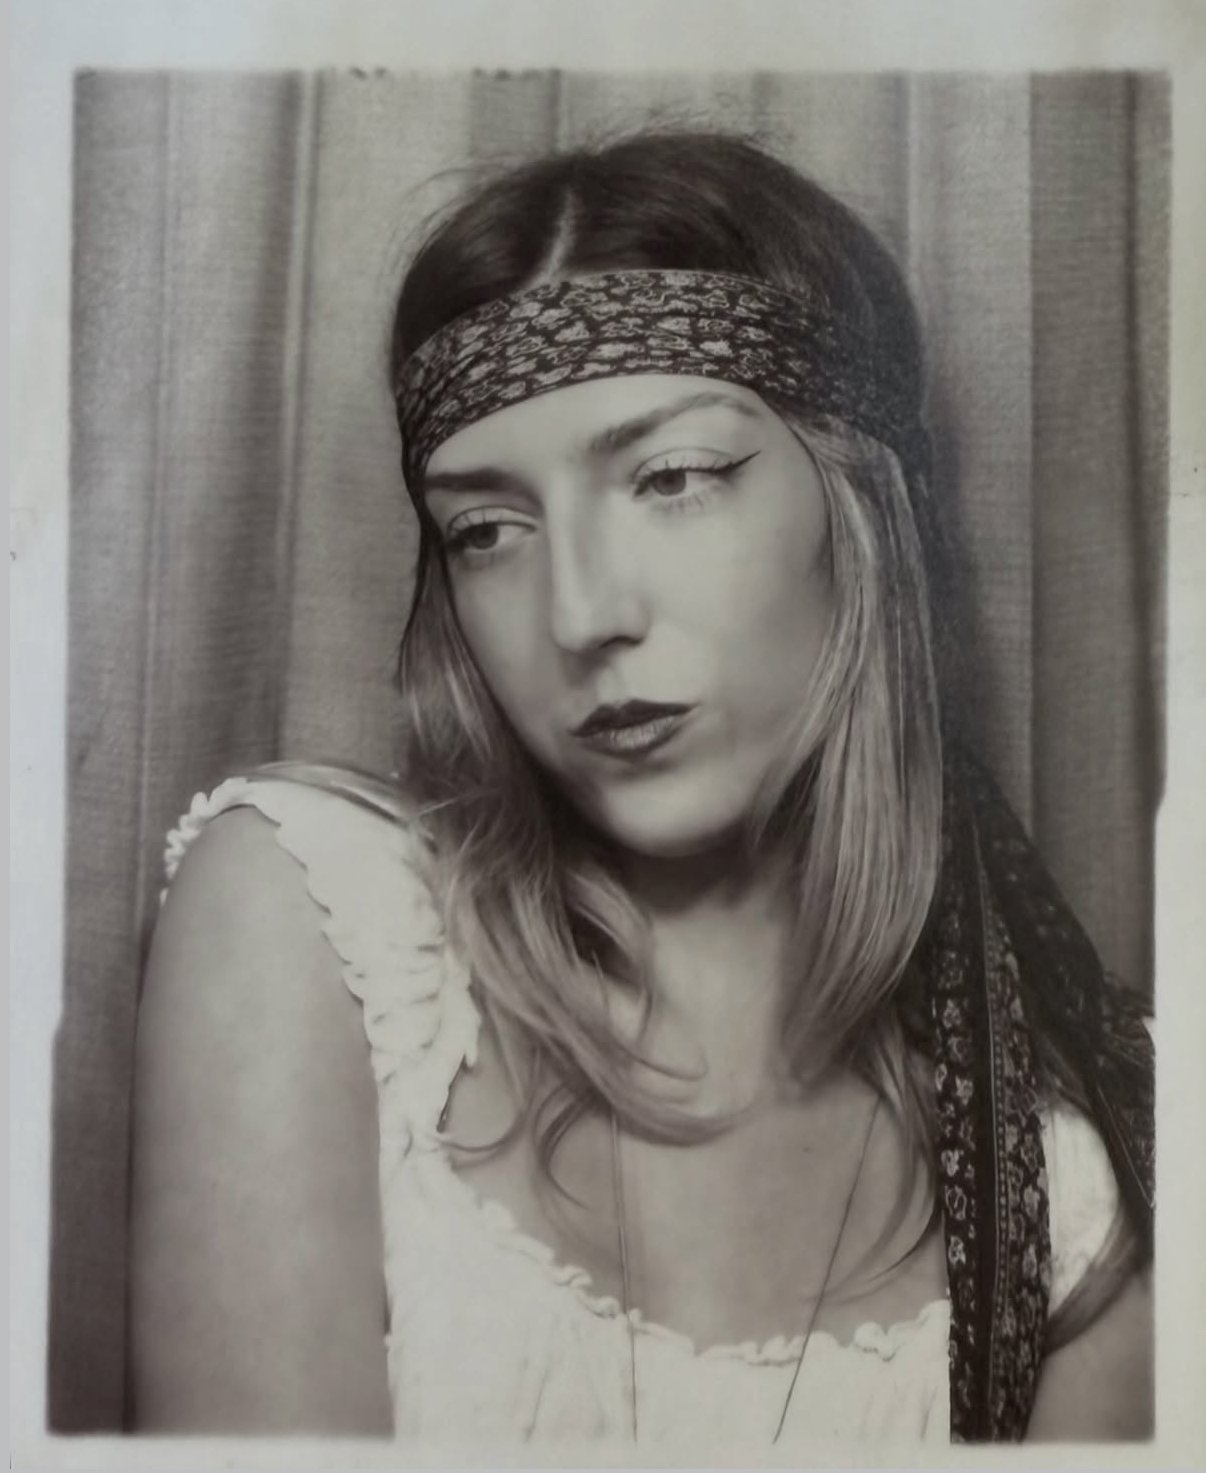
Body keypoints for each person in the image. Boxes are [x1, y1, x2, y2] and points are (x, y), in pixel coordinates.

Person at [129, 129, 1155, 1446]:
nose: (580, 612)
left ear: (863, 505)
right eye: (486, 530)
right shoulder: (322, 922)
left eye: (671, 478)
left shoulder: (1092, 1171)